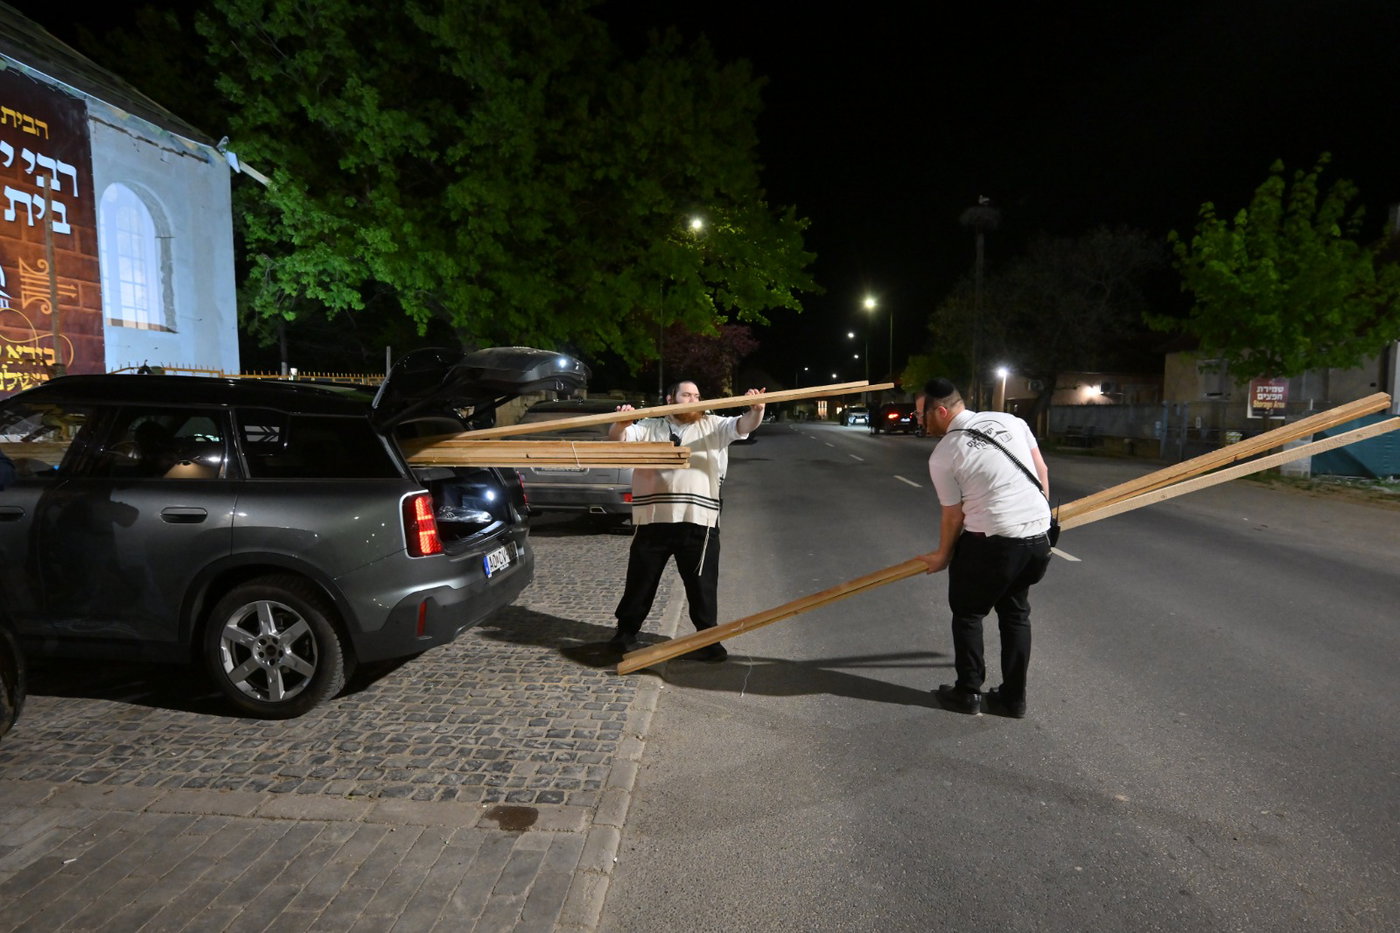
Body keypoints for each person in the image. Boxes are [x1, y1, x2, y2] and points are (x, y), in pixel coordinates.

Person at [916, 378, 1052, 717]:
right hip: (1037, 540)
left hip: (993, 544)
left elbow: (953, 515)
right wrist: (1036, 519)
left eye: (922, 414)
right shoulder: (1011, 421)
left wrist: (942, 556)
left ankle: (968, 693)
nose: (920, 421)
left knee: (968, 614)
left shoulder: (944, 454)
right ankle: (1013, 699)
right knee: (1016, 614)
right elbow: (1042, 471)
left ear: (941, 411)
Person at [607, 380, 766, 661]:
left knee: (702, 585)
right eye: (686, 395)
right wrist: (621, 423)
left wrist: (757, 410)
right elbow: (619, 439)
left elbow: (744, 425)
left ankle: (708, 639)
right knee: (641, 580)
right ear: (671, 399)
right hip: (654, 517)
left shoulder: (713, 425)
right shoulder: (649, 426)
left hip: (698, 518)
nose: (693, 400)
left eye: (697, 396)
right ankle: (625, 632)